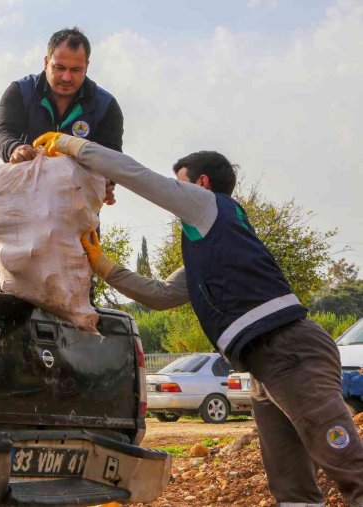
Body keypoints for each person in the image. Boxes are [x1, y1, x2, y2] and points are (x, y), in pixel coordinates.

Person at [33, 131, 363, 507]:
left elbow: (138, 175)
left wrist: (72, 144)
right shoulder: (214, 246)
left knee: (348, 465)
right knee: (292, 488)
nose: (176, 192)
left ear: (201, 184)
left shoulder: (207, 205)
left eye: (181, 183)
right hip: (264, 363)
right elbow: (161, 296)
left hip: (290, 349)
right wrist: (103, 265)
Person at [0, 27, 123, 205]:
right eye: (59, 68)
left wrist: (106, 183)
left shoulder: (106, 105)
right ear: (46, 63)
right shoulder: (20, 92)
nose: (67, 77)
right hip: (25, 203)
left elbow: (111, 157)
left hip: (78, 209)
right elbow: (3, 132)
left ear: (87, 66)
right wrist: (14, 148)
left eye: (76, 70)